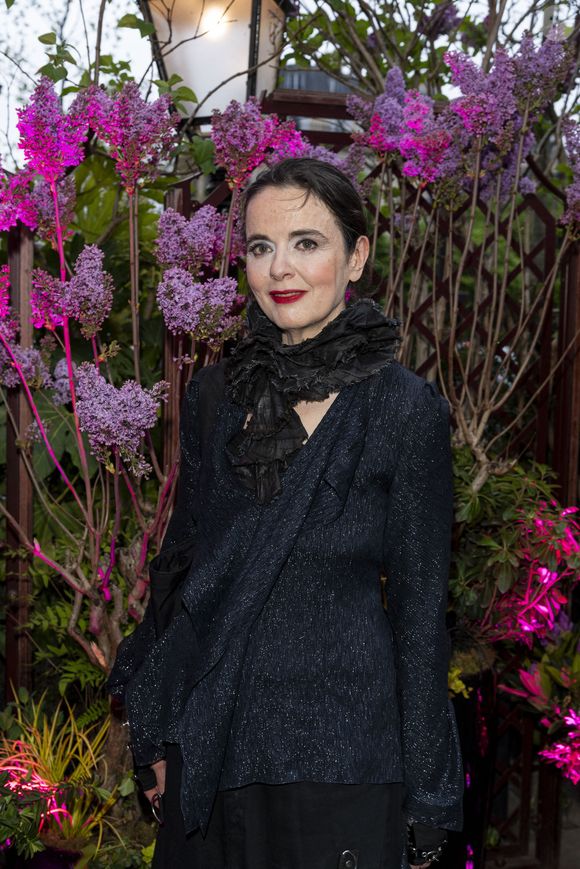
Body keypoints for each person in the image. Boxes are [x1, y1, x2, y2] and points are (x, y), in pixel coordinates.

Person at [108, 157, 464, 869]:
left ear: (356, 253)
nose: (280, 268)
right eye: (262, 247)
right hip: (213, 736)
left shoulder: (402, 409)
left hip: (339, 753)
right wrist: (155, 724)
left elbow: (423, 612)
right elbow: (182, 566)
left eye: (307, 242)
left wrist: (430, 790)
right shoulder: (216, 395)